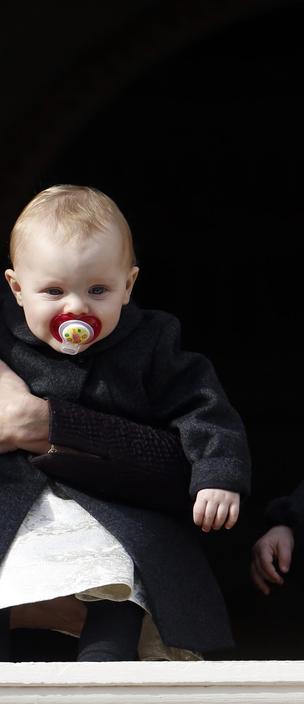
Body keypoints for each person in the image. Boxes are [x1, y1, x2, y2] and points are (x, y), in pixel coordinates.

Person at [0, 184, 250, 661]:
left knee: (119, 586)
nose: (76, 309)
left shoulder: (151, 341)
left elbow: (203, 407)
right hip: (19, 502)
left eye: (98, 290)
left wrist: (218, 475)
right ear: (16, 288)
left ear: (129, 286)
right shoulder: (6, 339)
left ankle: (103, 677)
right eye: (52, 291)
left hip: (110, 503)